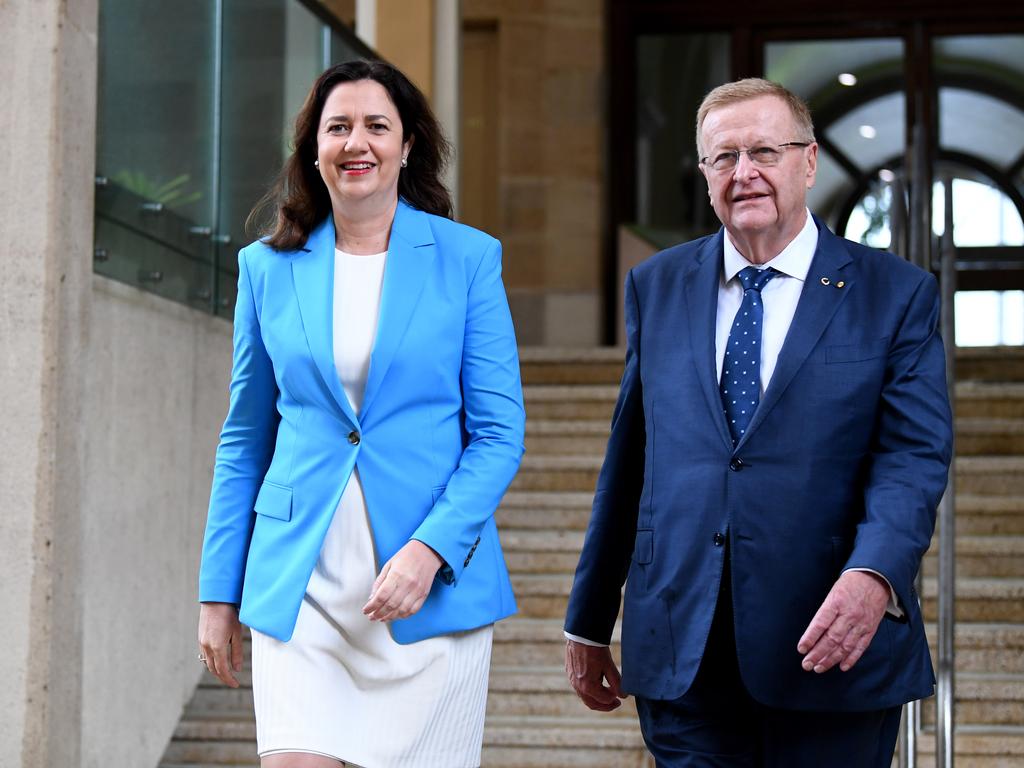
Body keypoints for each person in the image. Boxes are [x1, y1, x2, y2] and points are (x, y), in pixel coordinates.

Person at [563, 78, 952, 767]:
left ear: (808, 161)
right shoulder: (657, 285)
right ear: (706, 174)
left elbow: (912, 459)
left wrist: (875, 575)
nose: (744, 173)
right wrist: (590, 618)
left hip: (831, 646)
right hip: (683, 647)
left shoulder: (895, 292)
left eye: (765, 152)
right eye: (724, 157)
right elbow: (631, 459)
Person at [196, 59, 524, 768]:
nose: (357, 142)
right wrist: (218, 591)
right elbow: (246, 436)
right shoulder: (266, 267)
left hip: (423, 589)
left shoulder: (468, 260)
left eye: (377, 125)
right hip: (302, 583)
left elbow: (499, 434)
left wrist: (430, 549)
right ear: (313, 148)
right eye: (337, 126)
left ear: (408, 146)